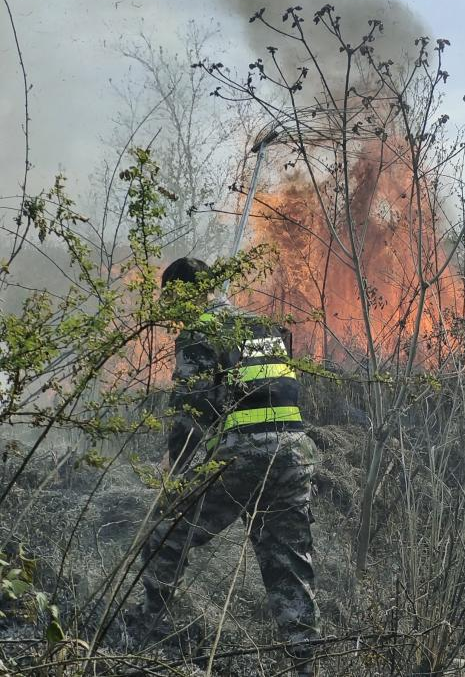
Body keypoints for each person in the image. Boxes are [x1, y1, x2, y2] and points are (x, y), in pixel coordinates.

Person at [127, 257, 321, 676]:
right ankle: (305, 664)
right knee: (288, 567)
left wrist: (174, 469)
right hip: (295, 454)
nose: (171, 311)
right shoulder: (261, 326)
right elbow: (278, 390)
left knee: (164, 533)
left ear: (185, 293)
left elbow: (191, 408)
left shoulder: (199, 332)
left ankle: (147, 635)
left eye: (172, 299)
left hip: (247, 456)